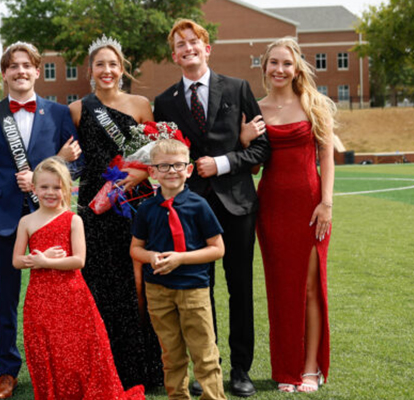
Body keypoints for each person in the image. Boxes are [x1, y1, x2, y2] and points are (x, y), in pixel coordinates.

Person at [153, 18, 270, 397]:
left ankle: (240, 369)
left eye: (194, 41)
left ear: (207, 48)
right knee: (198, 291)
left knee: (239, 287)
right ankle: (209, 367)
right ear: (174, 55)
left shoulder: (238, 89)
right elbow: (165, 156)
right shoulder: (165, 102)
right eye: (180, 44)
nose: (188, 48)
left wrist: (222, 162)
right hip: (189, 210)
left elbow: (261, 149)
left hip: (236, 205)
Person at [0, 41, 80, 399]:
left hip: (49, 217)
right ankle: (8, 370)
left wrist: (56, 162)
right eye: (13, 66)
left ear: (36, 70)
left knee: (56, 296)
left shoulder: (59, 113)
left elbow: (77, 164)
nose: (20, 72)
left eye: (26, 65)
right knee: (5, 299)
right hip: (1, 218)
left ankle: (57, 365)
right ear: (4, 74)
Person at [69, 35, 164, 390]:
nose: (106, 70)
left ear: (121, 69)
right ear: (90, 71)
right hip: (95, 209)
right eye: (100, 65)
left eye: (113, 64)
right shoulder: (78, 110)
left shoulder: (140, 104)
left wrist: (128, 181)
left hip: (134, 205)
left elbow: (154, 156)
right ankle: (106, 367)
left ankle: (143, 368)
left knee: (139, 286)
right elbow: (75, 159)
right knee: (101, 286)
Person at [13, 157, 146, 400]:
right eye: (44, 187)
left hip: (72, 295)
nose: (50, 193)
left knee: (76, 350)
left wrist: (47, 262)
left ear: (66, 188)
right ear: (34, 188)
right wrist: (37, 258)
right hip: (40, 298)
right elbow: (16, 260)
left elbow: (78, 261)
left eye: (56, 187)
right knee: (49, 348)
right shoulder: (27, 222)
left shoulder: (74, 220)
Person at [250, 37, 334, 393]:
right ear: (264, 67)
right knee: (281, 291)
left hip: (311, 207)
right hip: (270, 208)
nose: (280, 69)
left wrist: (326, 203)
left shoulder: (315, 104)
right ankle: (286, 369)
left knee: (312, 289)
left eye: (286, 63)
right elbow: (252, 165)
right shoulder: (255, 110)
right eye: (274, 63)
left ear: (297, 67)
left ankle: (311, 367)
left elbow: (327, 158)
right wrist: (243, 137)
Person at [130, 139, 227, 400]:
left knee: (204, 352)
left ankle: (213, 396)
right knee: (171, 353)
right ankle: (178, 397)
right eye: (164, 166)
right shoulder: (147, 208)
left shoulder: (199, 205)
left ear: (189, 170)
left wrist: (181, 259)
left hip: (193, 289)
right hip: (158, 290)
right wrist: (151, 256)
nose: (172, 170)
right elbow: (135, 249)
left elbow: (217, 249)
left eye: (178, 165)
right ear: (152, 172)